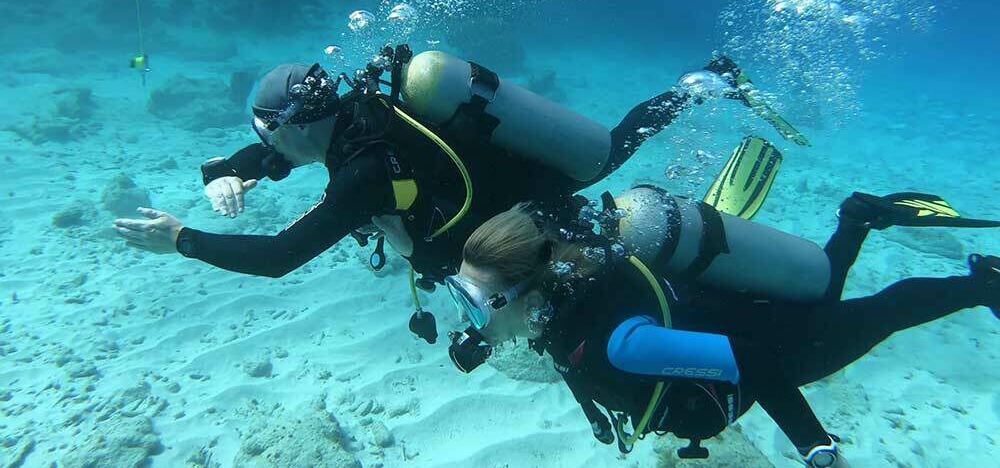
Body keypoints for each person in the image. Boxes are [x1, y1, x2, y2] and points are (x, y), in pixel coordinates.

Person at [112, 45, 790, 338]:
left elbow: (277, 258)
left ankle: (708, 96)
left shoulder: (361, 173)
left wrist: (181, 240)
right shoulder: (352, 115)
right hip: (496, 196)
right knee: (609, 154)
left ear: (295, 126)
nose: (265, 149)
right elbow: (276, 152)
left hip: (529, 201)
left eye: (267, 136)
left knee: (605, 201)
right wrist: (227, 169)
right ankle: (708, 83)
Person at [443, 188, 1000, 467]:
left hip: (783, 348)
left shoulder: (623, 343)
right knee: (823, 296)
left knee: (880, 314)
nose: (471, 320)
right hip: (741, 310)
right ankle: (854, 221)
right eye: (462, 296)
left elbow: (753, 362)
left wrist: (815, 447)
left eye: (476, 303)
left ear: (527, 293)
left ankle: (983, 284)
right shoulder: (564, 302)